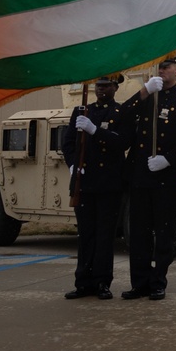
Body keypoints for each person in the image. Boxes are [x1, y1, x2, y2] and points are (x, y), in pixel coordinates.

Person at [120, 54, 176, 301]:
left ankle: (158, 281)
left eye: (167, 67)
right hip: (141, 174)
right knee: (138, 233)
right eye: (160, 67)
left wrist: (169, 159)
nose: (162, 71)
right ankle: (139, 282)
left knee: (165, 232)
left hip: (168, 176)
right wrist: (143, 91)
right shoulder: (146, 97)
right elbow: (122, 116)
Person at [61, 74, 131, 300]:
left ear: (115, 88)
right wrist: (73, 165)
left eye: (106, 86)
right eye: (98, 86)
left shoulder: (121, 113)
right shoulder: (81, 111)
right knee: (86, 234)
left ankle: (102, 282)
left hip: (109, 183)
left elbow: (122, 142)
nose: (101, 90)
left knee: (104, 235)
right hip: (85, 182)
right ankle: (83, 282)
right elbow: (68, 143)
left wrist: (95, 131)